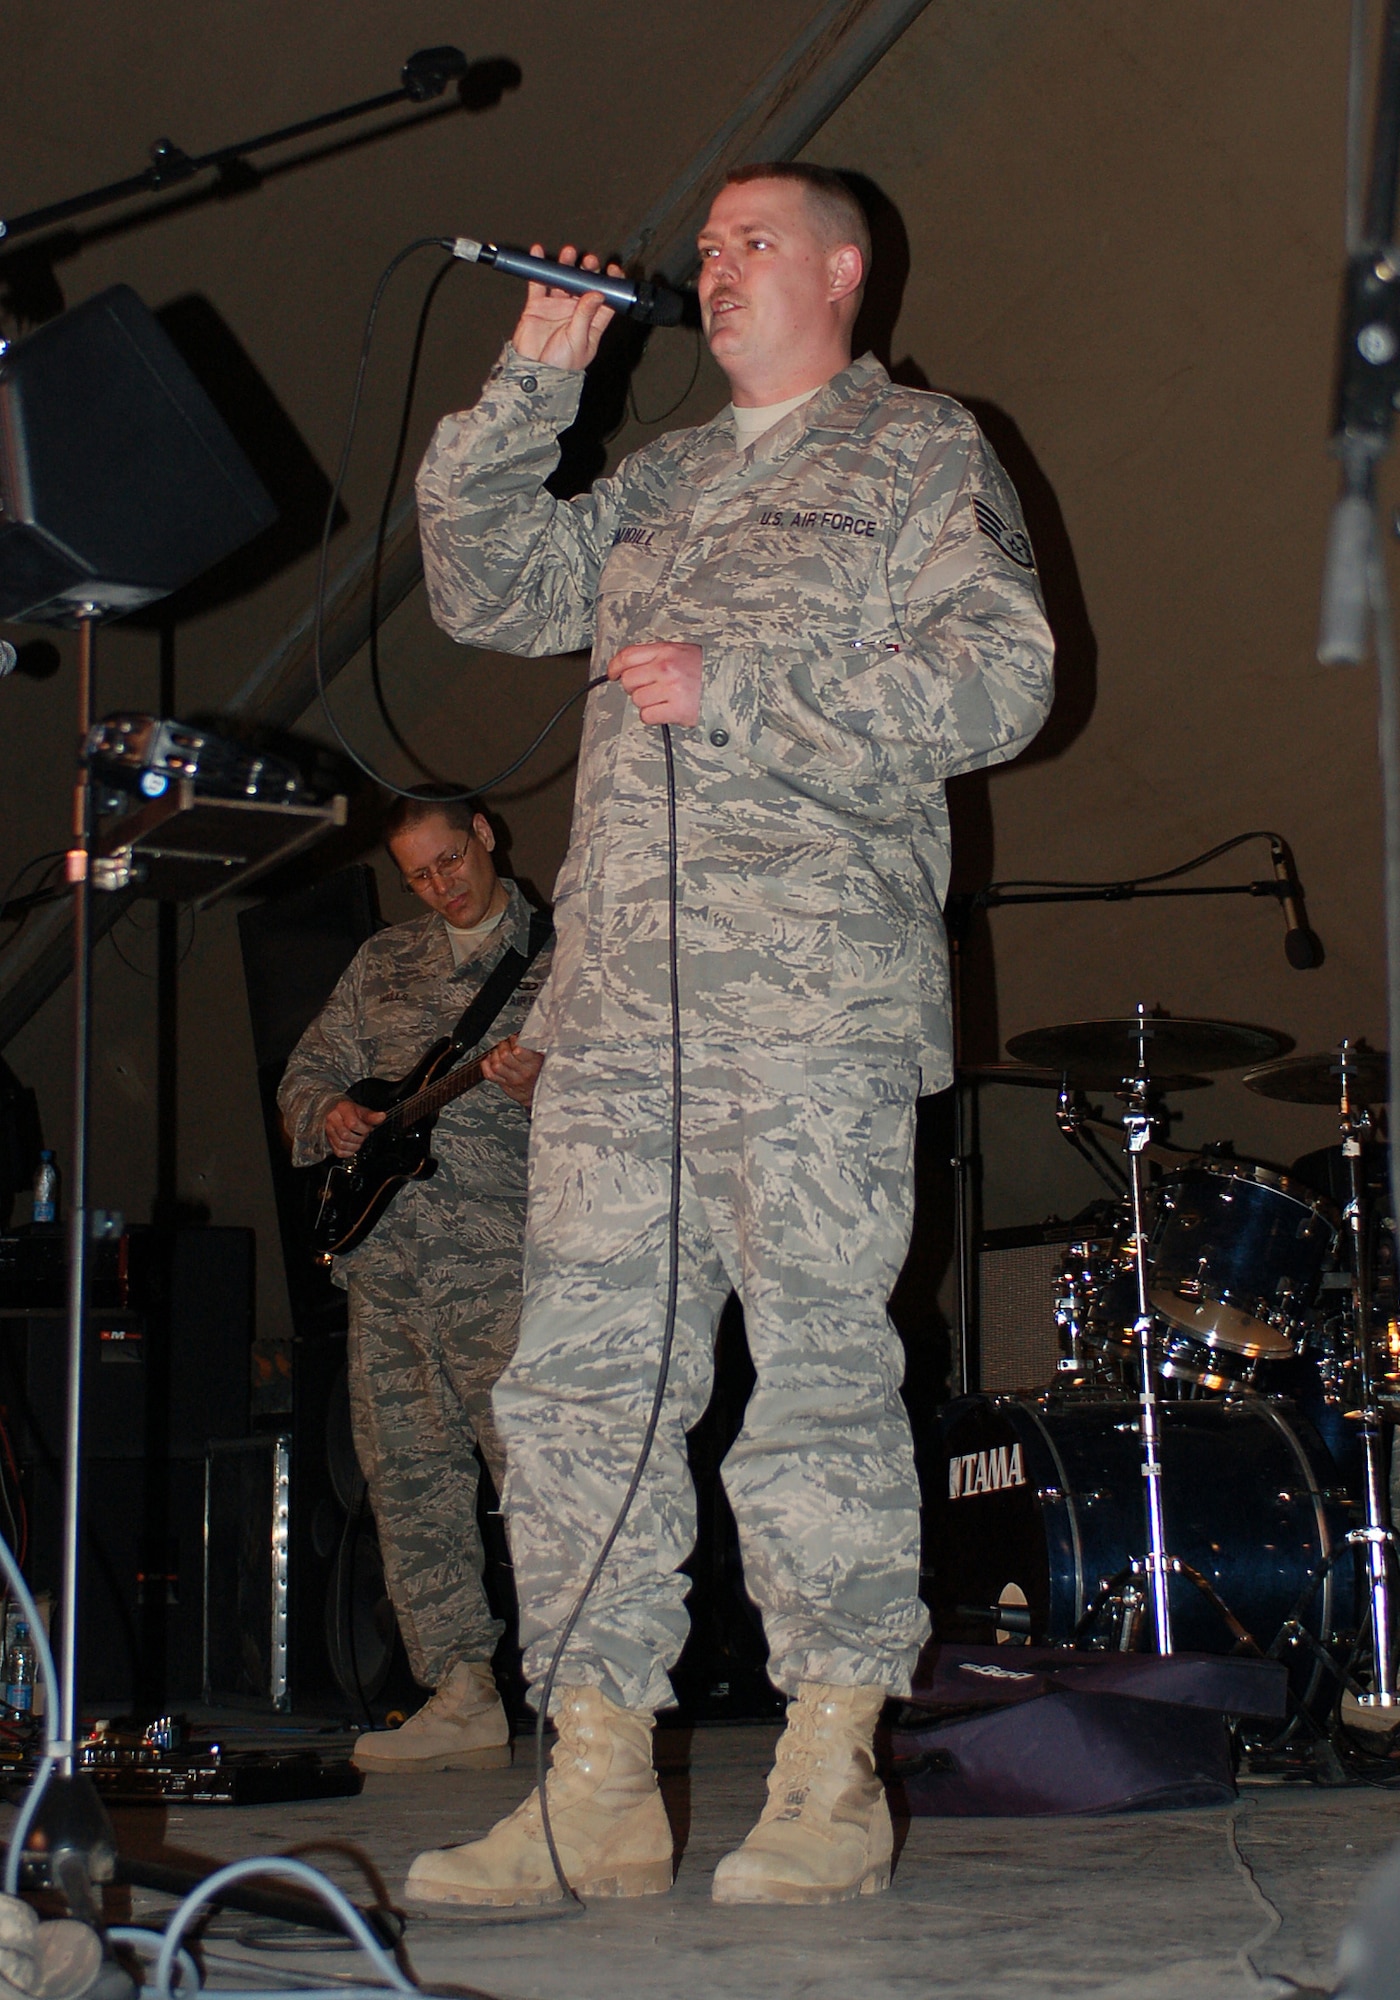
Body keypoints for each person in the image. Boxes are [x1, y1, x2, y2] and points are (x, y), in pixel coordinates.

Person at [406, 163, 1055, 1903]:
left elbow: (1001, 679)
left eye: (749, 242)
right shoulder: (663, 480)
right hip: (618, 1020)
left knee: (818, 1386)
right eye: (699, 248)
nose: (712, 269)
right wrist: (534, 376)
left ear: (843, 271)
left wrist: (748, 690)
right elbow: (484, 587)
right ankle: (593, 1784)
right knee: (578, 1396)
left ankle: (830, 1769)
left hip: (812, 1009)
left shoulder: (920, 449)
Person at [277, 788, 551, 1773]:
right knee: (409, 1478)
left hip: (503, 1267)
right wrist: (331, 1114)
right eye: (418, 875)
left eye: (449, 860)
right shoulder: (384, 961)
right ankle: (460, 1688)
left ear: (485, 834)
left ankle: (584, 1690)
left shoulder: (565, 959)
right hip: (388, 1268)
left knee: (542, 1477)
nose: (440, 885)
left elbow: (636, 1100)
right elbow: (304, 1075)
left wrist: (542, 1083)